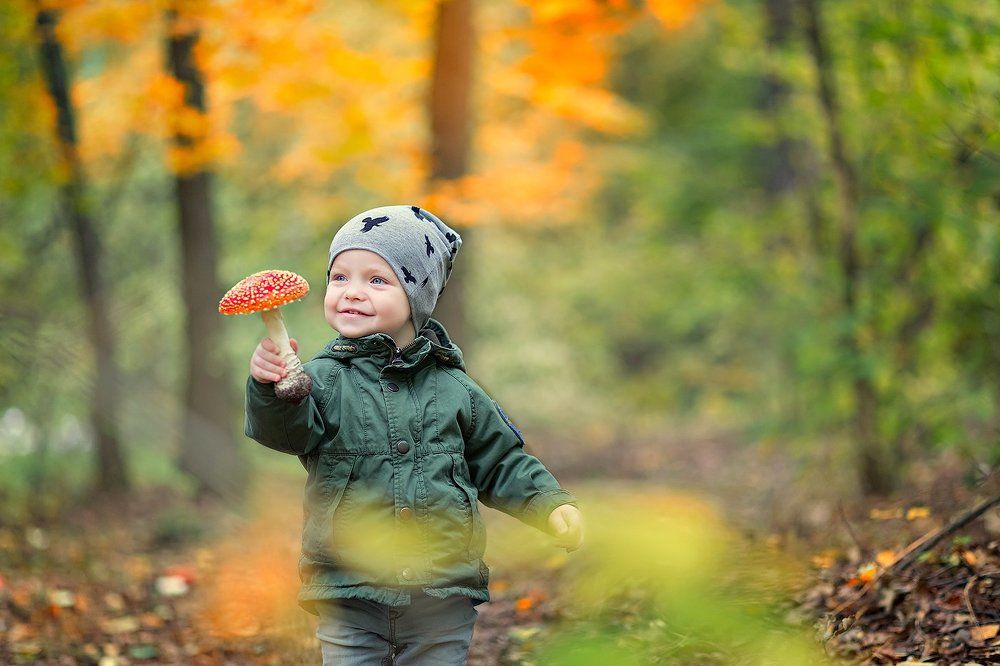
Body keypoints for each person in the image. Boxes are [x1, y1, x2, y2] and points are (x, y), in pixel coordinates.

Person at [244, 205, 584, 665]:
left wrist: (548, 502)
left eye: (377, 280)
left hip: (441, 586)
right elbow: (287, 434)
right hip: (349, 585)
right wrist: (271, 388)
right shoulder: (320, 379)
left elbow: (500, 458)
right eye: (340, 277)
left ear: (417, 296)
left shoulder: (455, 387)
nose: (352, 293)